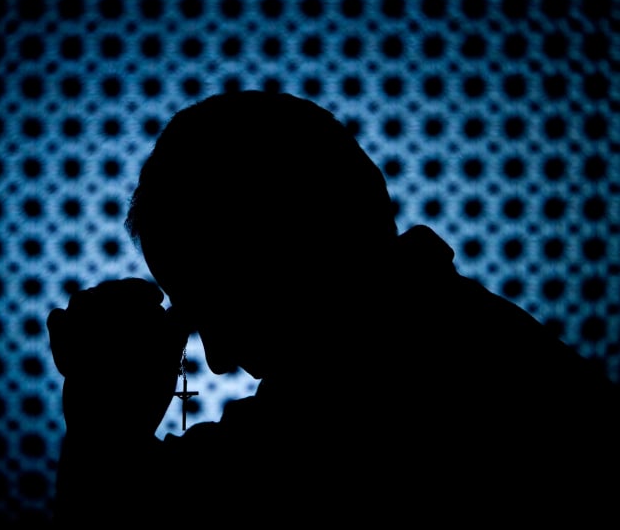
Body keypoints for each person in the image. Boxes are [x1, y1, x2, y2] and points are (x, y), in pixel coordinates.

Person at [46, 90, 619, 524]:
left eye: (212, 305)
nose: (217, 361)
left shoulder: (347, 408)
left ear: (283, 255)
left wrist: (103, 421)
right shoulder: (473, 339)